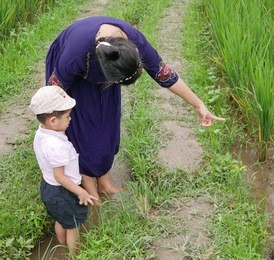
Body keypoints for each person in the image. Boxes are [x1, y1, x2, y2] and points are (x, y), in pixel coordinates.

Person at [45, 16, 225, 201]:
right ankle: (90, 188)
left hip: (109, 66)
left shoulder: (134, 43)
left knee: (107, 127)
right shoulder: (75, 54)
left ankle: (105, 184)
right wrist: (50, 132)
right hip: (75, 81)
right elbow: (52, 92)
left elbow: (165, 76)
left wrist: (198, 104)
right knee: (83, 129)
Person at [29, 85, 98, 253]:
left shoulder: (42, 134)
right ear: (53, 121)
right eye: (67, 116)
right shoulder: (55, 146)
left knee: (62, 219)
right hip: (63, 191)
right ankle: (74, 254)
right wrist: (80, 192)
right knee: (73, 225)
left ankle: (61, 245)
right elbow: (60, 176)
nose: (70, 119)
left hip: (49, 188)